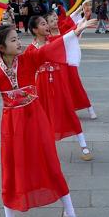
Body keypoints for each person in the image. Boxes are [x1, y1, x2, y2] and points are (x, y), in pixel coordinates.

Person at [0, 19, 97, 217]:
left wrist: (75, 32)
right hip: (11, 126)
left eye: (18, 38)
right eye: (14, 40)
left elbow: (50, 49)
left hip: (36, 120)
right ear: (1, 47)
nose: (19, 43)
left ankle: (71, 214)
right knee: (11, 169)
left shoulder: (29, 59)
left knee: (51, 163)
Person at [27, 15, 93, 160]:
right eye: (43, 24)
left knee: (68, 111)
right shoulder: (30, 49)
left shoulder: (54, 41)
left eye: (46, 23)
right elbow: (26, 70)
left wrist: (78, 29)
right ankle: (40, 147)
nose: (47, 26)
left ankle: (83, 146)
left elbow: (66, 39)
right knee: (42, 117)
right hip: (42, 86)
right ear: (34, 29)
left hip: (59, 83)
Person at [51, 3, 97, 119]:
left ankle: (89, 108)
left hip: (69, 64)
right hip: (56, 67)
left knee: (76, 86)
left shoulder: (62, 29)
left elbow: (73, 28)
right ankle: (64, 110)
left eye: (56, 19)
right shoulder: (46, 37)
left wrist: (84, 19)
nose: (55, 21)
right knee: (60, 90)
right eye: (52, 21)